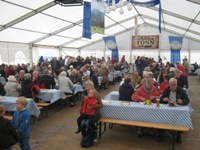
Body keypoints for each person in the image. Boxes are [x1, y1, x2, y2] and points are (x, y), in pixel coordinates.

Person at [158, 78, 190, 143]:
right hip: (167, 110)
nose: (173, 86)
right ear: (169, 85)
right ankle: (161, 134)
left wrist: (182, 101)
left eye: (174, 85)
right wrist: (164, 99)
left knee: (181, 119)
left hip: (177, 110)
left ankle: (178, 135)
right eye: (172, 85)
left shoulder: (181, 90)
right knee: (160, 117)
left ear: (177, 84)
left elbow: (187, 100)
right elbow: (161, 98)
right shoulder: (166, 90)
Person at [77, 80, 103, 145]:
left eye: (88, 84)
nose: (86, 86)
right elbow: (83, 104)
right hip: (85, 112)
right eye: (85, 84)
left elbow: (101, 105)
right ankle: (85, 137)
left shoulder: (95, 93)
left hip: (94, 113)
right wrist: (80, 111)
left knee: (88, 124)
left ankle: (94, 138)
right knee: (82, 123)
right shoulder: (84, 93)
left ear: (91, 85)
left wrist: (93, 106)